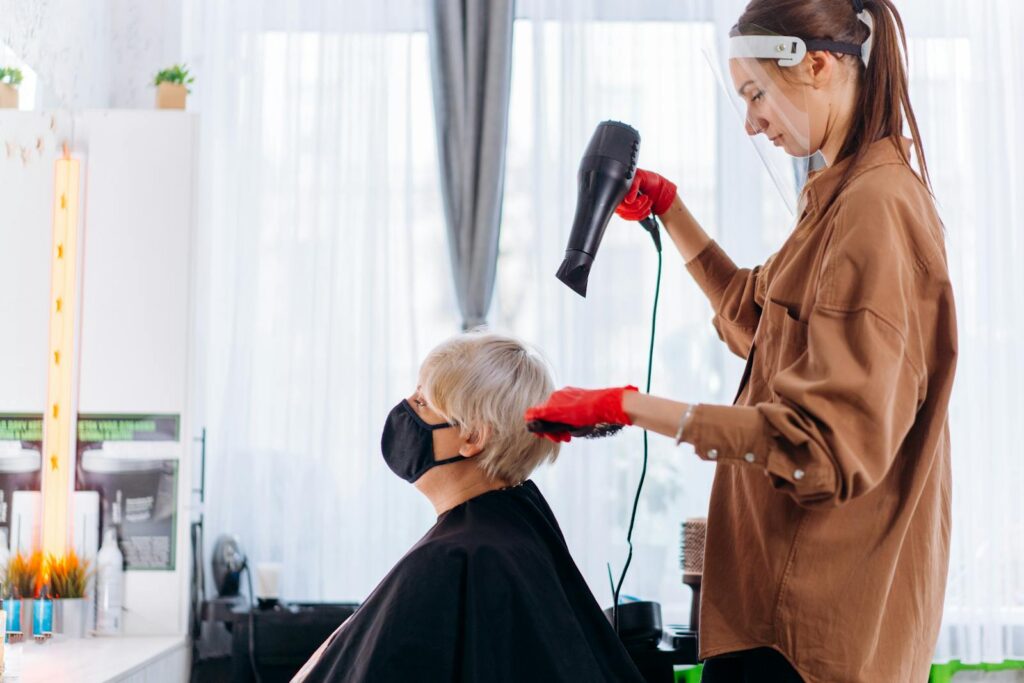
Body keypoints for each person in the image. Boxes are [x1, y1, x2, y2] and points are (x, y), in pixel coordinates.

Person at [526, 1, 957, 681]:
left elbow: (817, 445)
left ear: (817, 65)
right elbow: (758, 321)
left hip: (805, 634)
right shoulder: (839, 198)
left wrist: (627, 408)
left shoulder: (875, 211)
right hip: (772, 614)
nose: (752, 122)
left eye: (756, 94)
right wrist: (668, 207)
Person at [294, 332, 644, 683]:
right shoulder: (511, 529)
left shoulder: (456, 557)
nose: (405, 406)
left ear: (473, 437)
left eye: (422, 402)